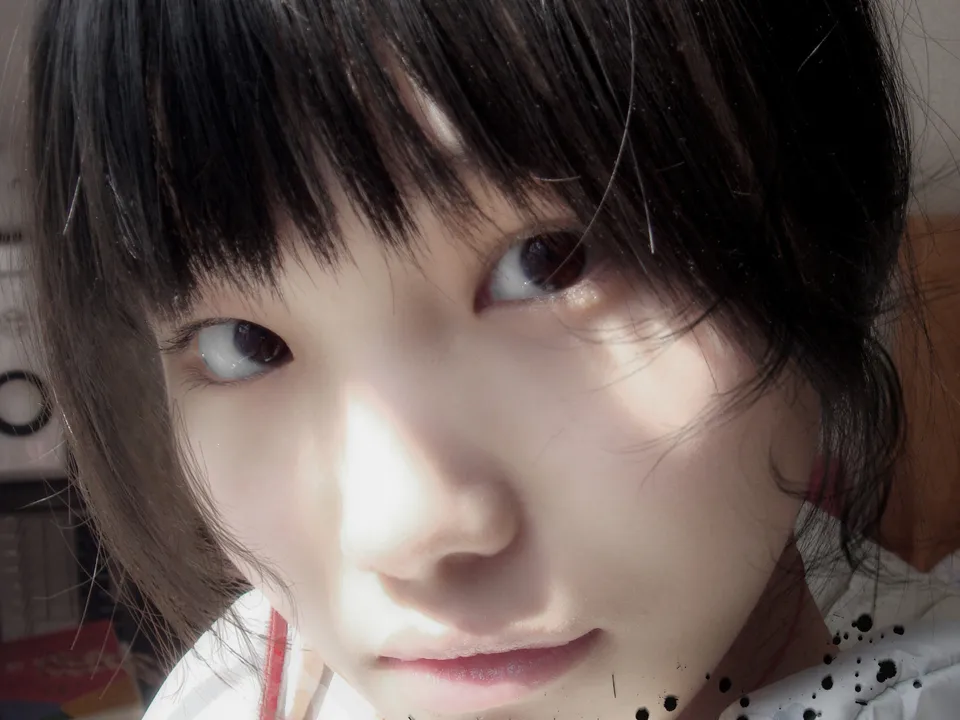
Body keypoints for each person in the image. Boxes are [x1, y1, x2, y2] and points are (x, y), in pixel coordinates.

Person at [24, 0, 960, 718]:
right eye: (244, 343)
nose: (401, 531)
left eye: (550, 262)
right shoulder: (252, 673)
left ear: (828, 232)